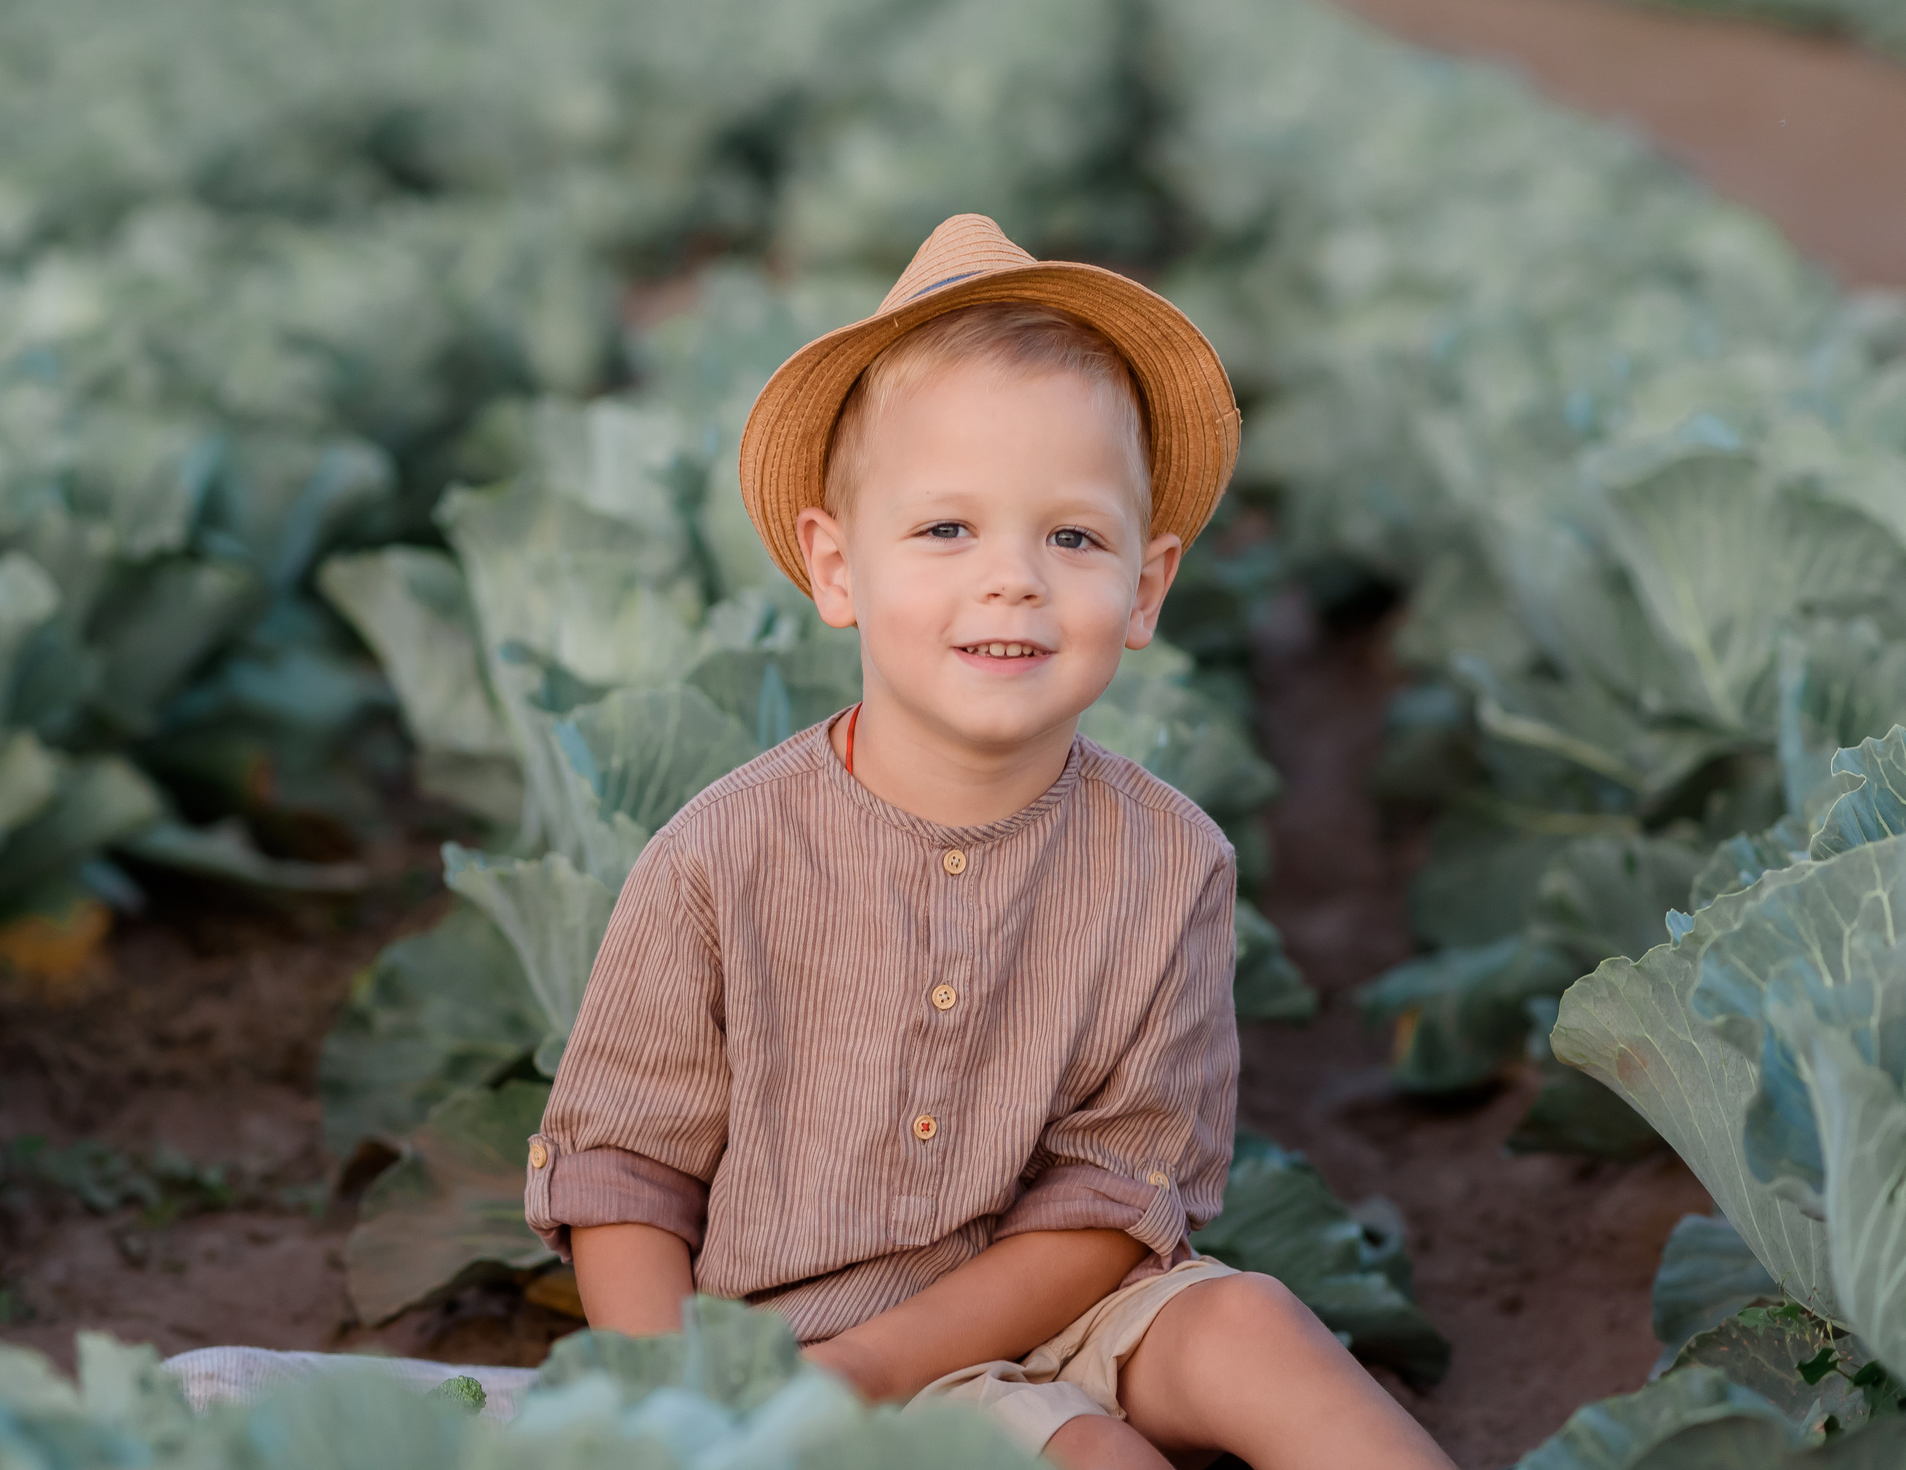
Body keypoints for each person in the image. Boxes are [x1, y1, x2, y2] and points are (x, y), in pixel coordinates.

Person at [521, 215, 1456, 1469]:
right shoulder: (720, 855)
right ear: (835, 566)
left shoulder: (1170, 858)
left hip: (1068, 1300)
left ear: (1145, 587)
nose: (1013, 577)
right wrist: (681, 1410)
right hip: (804, 1358)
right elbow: (624, 1171)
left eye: (1071, 536)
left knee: (1251, 1318)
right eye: (946, 529)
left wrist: (891, 1359)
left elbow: (1115, 1195)